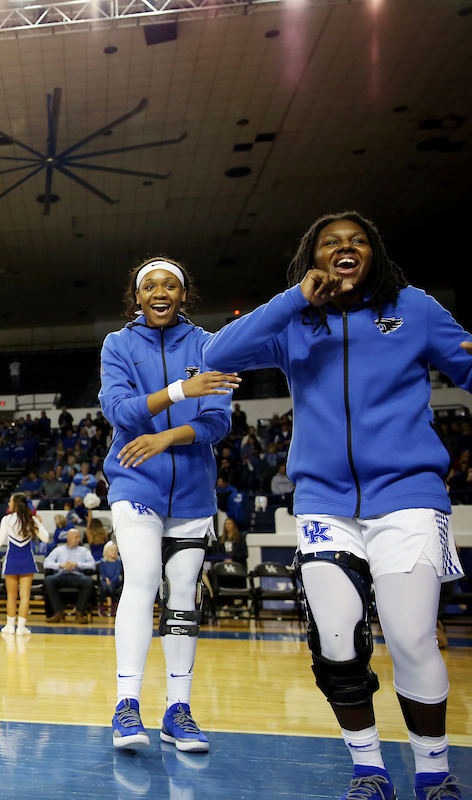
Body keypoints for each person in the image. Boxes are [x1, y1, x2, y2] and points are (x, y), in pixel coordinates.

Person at [203, 211, 472, 800]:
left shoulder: (414, 307)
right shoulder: (295, 320)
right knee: (335, 639)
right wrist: (294, 298)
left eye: (357, 241)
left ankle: (433, 773)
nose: (345, 247)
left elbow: (469, 365)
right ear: (313, 258)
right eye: (331, 243)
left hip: (407, 499)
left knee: (410, 639)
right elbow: (219, 351)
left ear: (373, 254)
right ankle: (369, 770)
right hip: (324, 503)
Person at [99, 255, 239, 756]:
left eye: (171, 286)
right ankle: (126, 704)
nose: (160, 292)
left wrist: (168, 438)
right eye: (150, 286)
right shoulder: (117, 344)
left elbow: (218, 420)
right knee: (140, 580)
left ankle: (178, 710)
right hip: (135, 484)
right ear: (136, 298)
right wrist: (182, 390)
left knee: (183, 595)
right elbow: (119, 412)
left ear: (184, 295)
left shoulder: (207, 345)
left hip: (195, 493)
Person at [0, 493, 49, 635]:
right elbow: (46, 539)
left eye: (10, 501)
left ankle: (10, 626)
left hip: (12, 559)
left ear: (16, 504)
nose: (8, 504)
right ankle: (21, 628)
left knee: (11, 596)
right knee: (25, 595)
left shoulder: (6, 519)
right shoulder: (32, 519)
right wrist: (38, 523)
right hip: (27, 560)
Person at [42, 528, 97, 624]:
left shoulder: (84, 550)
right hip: (61, 575)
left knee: (89, 581)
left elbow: (92, 565)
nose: (79, 539)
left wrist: (77, 564)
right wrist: (60, 565)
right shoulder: (58, 550)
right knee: (48, 580)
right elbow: (46, 563)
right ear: (68, 538)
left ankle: (79, 613)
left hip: (77, 576)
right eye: (76, 537)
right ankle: (58, 612)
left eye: (79, 537)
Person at [98, 541, 123, 617]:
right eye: (111, 550)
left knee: (111, 587)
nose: (114, 552)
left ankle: (113, 606)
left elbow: (117, 574)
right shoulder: (103, 562)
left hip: (115, 581)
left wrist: (111, 580)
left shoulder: (118, 562)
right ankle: (101, 606)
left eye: (115, 550)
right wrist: (106, 579)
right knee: (104, 587)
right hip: (105, 580)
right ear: (106, 552)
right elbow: (102, 573)